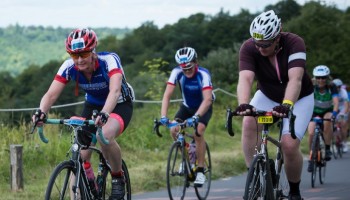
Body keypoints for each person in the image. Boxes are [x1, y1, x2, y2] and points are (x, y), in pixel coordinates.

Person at [32, 28, 134, 200]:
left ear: (93, 51)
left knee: (105, 136)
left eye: (84, 54)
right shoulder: (69, 66)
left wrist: (104, 114)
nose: (79, 60)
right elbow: (51, 94)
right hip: (93, 104)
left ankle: (117, 177)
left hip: (119, 103)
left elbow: (115, 91)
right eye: (74, 55)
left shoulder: (109, 60)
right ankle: (87, 186)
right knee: (80, 155)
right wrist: (41, 112)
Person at [235, 10, 314, 200]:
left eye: (265, 44)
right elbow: (245, 78)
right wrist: (244, 104)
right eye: (257, 43)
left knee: (288, 145)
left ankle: (294, 192)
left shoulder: (295, 43)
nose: (260, 49)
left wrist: (287, 105)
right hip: (268, 95)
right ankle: (253, 174)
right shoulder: (249, 47)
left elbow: (295, 79)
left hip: (299, 97)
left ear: (278, 36)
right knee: (249, 122)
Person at [160, 47, 215, 187]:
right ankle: (187, 158)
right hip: (187, 107)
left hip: (204, 106)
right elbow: (167, 95)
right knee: (174, 129)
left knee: (198, 132)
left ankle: (201, 170)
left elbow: (208, 99)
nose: (187, 71)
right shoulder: (176, 72)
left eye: (189, 68)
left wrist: (196, 117)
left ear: (196, 62)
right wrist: (163, 116)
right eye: (184, 69)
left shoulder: (203, 74)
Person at [307, 65, 339, 170]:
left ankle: (328, 147)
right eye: (318, 77)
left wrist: (334, 114)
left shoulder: (332, 86)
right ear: (315, 78)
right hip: (314, 111)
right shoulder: (311, 85)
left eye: (323, 77)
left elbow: (336, 102)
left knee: (327, 122)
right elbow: (305, 100)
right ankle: (310, 155)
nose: (321, 80)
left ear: (327, 78)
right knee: (311, 132)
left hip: (327, 111)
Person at [332, 78, 349, 152]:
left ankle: (344, 142)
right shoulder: (330, 91)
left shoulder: (343, 92)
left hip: (342, 108)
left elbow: (346, 105)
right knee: (332, 127)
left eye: (339, 87)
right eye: (335, 87)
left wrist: (343, 113)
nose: (337, 88)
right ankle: (335, 143)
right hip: (333, 107)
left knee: (343, 125)